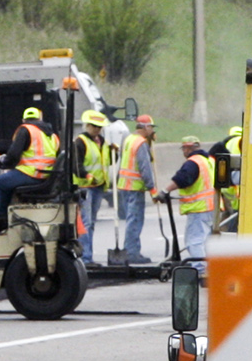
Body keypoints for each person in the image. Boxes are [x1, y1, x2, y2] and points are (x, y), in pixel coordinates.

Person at [0, 107, 59, 234]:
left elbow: (14, 154)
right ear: (39, 119)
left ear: (24, 119)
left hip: (30, 174)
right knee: (6, 185)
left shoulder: (26, 129)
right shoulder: (52, 135)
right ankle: (2, 220)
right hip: (45, 176)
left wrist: (5, 162)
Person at [155, 134, 216, 271]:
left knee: (194, 240)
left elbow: (181, 179)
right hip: (211, 207)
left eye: (184, 149)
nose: (183, 152)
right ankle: (208, 268)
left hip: (198, 208)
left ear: (187, 149)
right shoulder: (208, 160)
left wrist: (165, 191)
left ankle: (200, 269)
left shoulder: (193, 162)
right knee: (205, 240)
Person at [114, 115, 157, 264]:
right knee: (135, 220)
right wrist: (152, 189)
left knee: (130, 220)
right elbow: (145, 168)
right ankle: (132, 252)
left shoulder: (129, 139)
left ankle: (131, 250)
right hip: (135, 187)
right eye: (151, 127)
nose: (152, 131)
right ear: (146, 127)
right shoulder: (140, 143)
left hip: (124, 186)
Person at [71, 110, 112, 246]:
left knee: (92, 221)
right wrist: (87, 175)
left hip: (99, 186)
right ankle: (85, 257)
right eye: (94, 126)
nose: (97, 129)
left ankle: (89, 255)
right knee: (86, 222)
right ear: (87, 126)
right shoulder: (80, 142)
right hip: (85, 187)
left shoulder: (103, 142)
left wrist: (114, 152)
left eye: (99, 127)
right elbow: (76, 166)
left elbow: (107, 162)